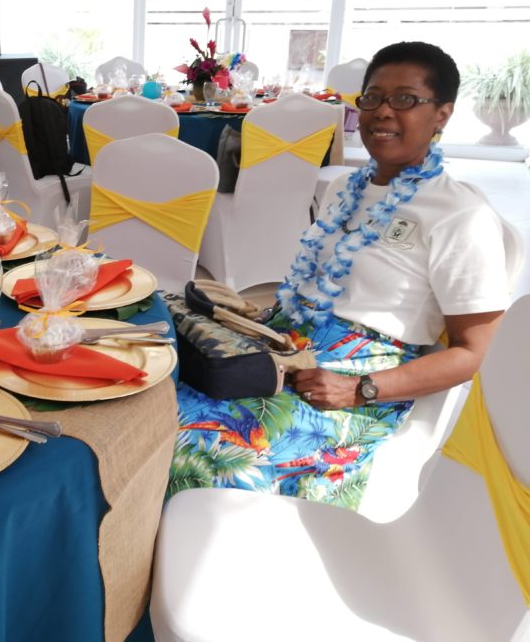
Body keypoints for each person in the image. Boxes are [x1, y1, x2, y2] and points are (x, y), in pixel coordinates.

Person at [169, 41, 510, 508]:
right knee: (150, 403)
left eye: (405, 99)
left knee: (196, 447)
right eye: (373, 97)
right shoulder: (344, 189)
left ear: (442, 114)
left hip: (358, 380)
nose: (383, 111)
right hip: (284, 351)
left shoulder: (460, 215)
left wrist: (360, 389)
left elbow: (474, 353)